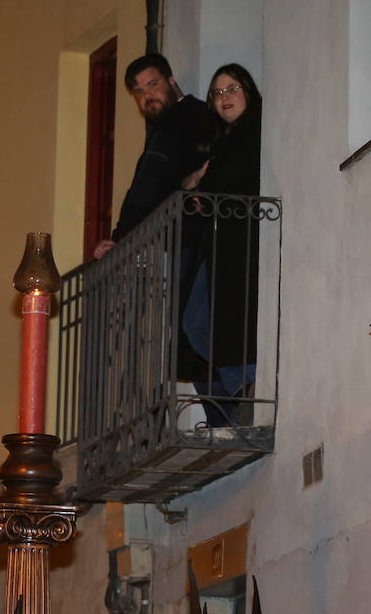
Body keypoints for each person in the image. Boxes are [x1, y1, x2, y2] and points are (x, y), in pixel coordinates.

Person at [180, 64, 263, 426]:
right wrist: (196, 184)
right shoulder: (221, 142)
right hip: (219, 243)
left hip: (241, 242)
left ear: (247, 91)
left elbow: (220, 184)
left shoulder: (254, 130)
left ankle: (247, 386)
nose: (225, 97)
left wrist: (200, 185)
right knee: (195, 323)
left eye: (232, 89)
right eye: (217, 92)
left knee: (216, 322)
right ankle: (242, 386)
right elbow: (194, 190)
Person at [91, 53, 210, 259]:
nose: (147, 95)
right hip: (180, 241)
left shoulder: (201, 117)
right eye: (139, 91)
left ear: (171, 81)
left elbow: (147, 189)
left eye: (153, 84)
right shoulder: (162, 129)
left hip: (202, 240)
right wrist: (120, 239)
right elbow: (145, 189)